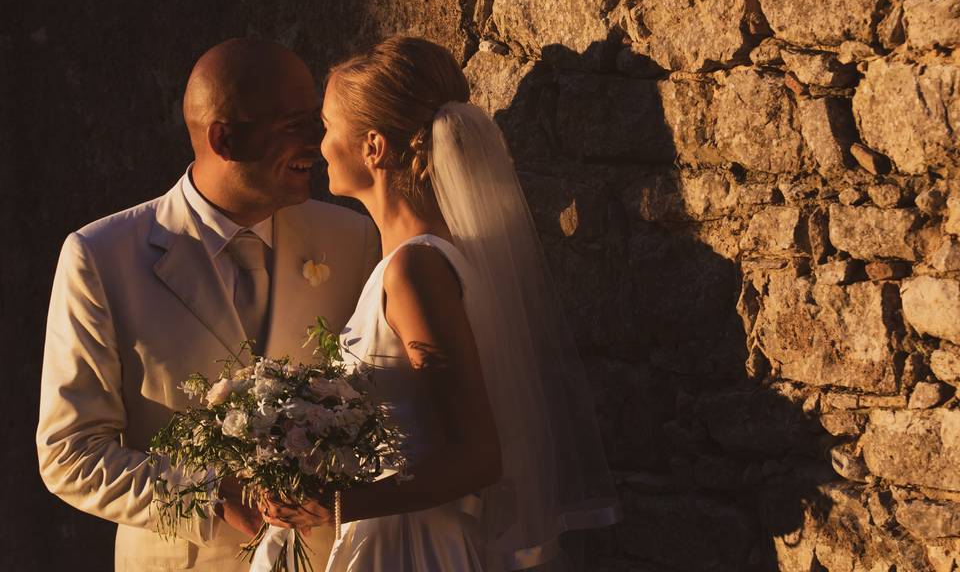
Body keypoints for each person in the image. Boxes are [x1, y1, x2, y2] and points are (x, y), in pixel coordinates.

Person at [260, 36, 620, 571]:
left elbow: (478, 456)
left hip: (416, 548)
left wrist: (335, 505)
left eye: (328, 124)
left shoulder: (415, 270)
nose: (319, 140)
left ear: (373, 148)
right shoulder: (426, 259)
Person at [36, 38, 380, 571]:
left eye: (318, 120)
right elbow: (70, 454)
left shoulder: (354, 238)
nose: (321, 140)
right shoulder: (101, 258)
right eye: (297, 125)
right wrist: (209, 493)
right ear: (224, 137)